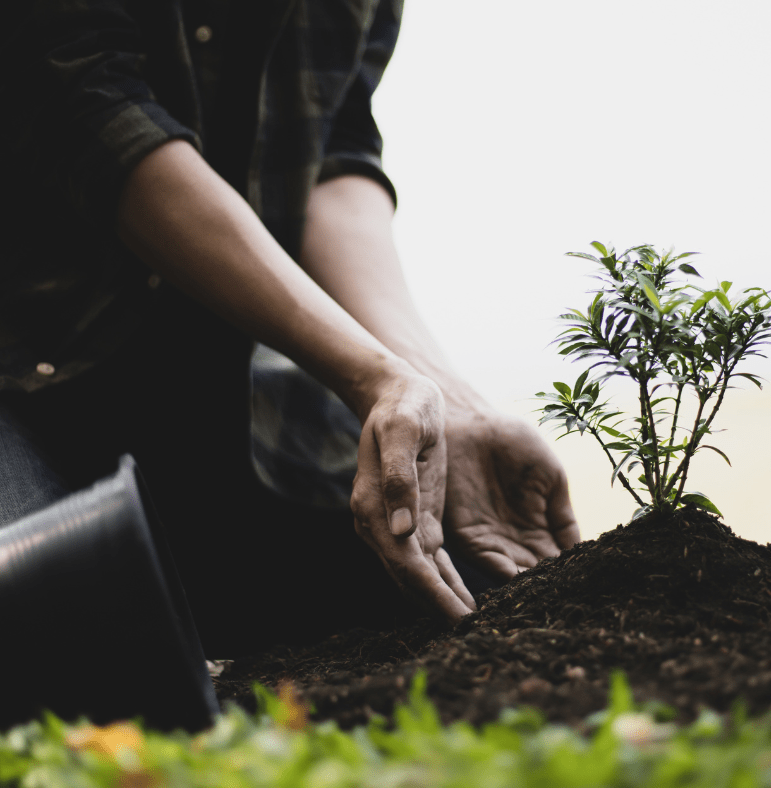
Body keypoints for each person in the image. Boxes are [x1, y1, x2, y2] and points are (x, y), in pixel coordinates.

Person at [0, 0, 579, 655]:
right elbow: (93, 115)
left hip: (250, 381)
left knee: (473, 600)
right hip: (32, 369)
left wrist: (438, 394)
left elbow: (332, 154)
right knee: (48, 623)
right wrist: (369, 376)